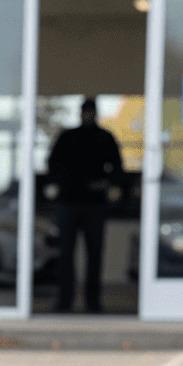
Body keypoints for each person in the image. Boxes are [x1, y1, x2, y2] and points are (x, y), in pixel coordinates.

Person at [46, 97, 124, 313]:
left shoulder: (104, 138)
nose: (88, 116)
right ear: (80, 114)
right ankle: (64, 301)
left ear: (95, 114)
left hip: (94, 205)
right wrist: (64, 183)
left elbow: (118, 170)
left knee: (95, 254)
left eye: (91, 112)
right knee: (65, 253)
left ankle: (93, 302)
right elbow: (52, 164)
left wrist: (107, 183)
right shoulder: (68, 137)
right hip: (68, 203)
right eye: (85, 112)